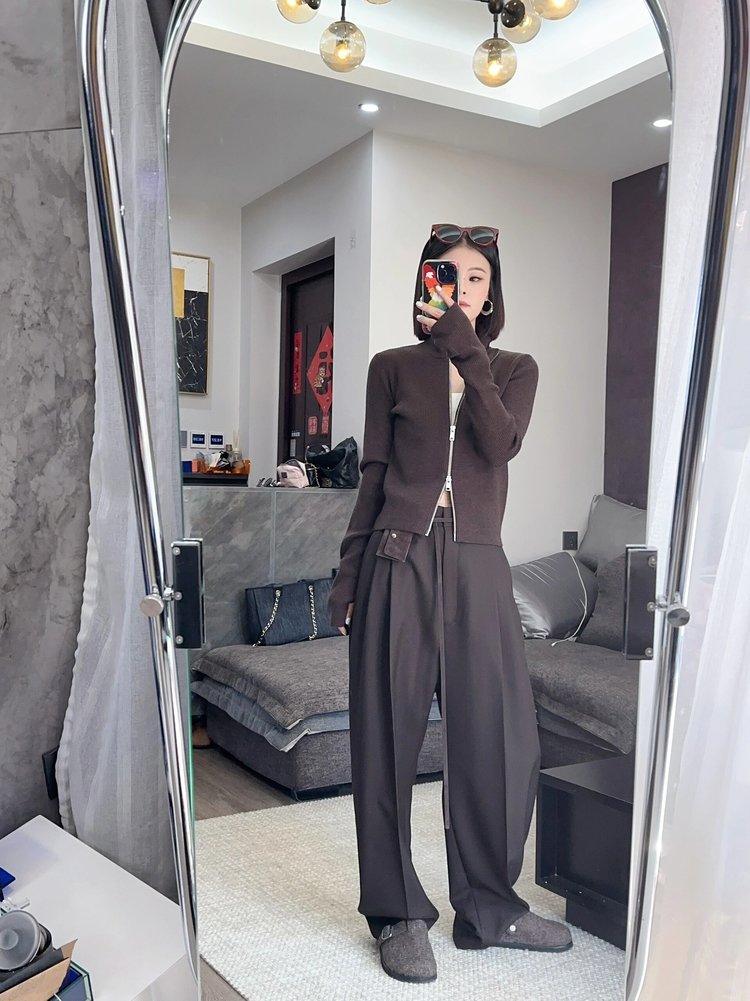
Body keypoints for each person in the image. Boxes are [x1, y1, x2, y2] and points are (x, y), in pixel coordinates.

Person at [328, 224, 572, 984]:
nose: (460, 288)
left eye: (475, 278)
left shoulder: (515, 369)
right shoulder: (391, 368)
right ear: (425, 284)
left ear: (490, 294)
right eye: (446, 274)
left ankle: (490, 907)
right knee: (386, 738)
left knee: (500, 740)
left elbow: (499, 444)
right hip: (396, 558)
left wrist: (468, 352)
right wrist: (347, 576)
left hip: (478, 565)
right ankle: (397, 912)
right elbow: (373, 475)